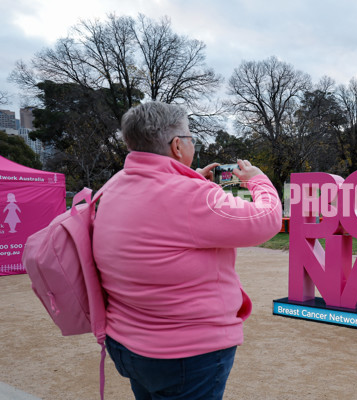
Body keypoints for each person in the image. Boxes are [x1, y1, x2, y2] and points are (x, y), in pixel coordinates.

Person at [93, 101, 282, 400]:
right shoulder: (192, 196)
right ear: (178, 145)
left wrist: (188, 177)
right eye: (191, 137)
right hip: (185, 354)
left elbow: (162, 208)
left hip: (128, 342)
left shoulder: (115, 184)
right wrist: (258, 180)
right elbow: (266, 220)